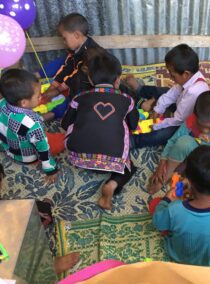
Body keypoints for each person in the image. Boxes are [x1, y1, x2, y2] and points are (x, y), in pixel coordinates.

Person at [61, 52, 139, 210]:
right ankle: (111, 184)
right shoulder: (127, 99)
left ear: (90, 78)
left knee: (74, 125)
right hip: (114, 163)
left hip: (78, 159)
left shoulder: (79, 97)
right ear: (117, 79)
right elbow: (133, 125)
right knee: (130, 166)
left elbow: (64, 123)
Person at [148, 91, 210, 194]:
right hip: (196, 150)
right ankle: (166, 176)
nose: (204, 131)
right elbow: (174, 140)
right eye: (200, 125)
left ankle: (195, 179)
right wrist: (162, 165)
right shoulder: (193, 118)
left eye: (209, 128)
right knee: (183, 142)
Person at [127, 44, 210, 148]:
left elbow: (178, 120)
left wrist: (158, 125)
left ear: (186, 74)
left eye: (172, 75)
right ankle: (141, 90)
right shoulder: (190, 77)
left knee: (165, 134)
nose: (170, 77)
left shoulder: (194, 92)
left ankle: (134, 141)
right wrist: (159, 108)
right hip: (183, 107)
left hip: (186, 122)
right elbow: (173, 92)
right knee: (165, 91)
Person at [0, 69, 60, 184]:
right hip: (26, 158)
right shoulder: (34, 124)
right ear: (23, 103)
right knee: (59, 140)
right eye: (38, 96)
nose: (40, 97)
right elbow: (43, 150)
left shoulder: (2, 103)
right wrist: (51, 170)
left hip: (7, 147)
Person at [41, 13, 101, 119]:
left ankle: (53, 114)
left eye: (64, 38)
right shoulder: (76, 49)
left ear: (76, 35)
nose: (63, 42)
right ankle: (38, 74)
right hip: (79, 79)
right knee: (62, 62)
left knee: (75, 98)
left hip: (90, 84)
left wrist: (58, 90)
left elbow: (78, 76)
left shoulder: (91, 53)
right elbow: (67, 67)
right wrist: (54, 85)